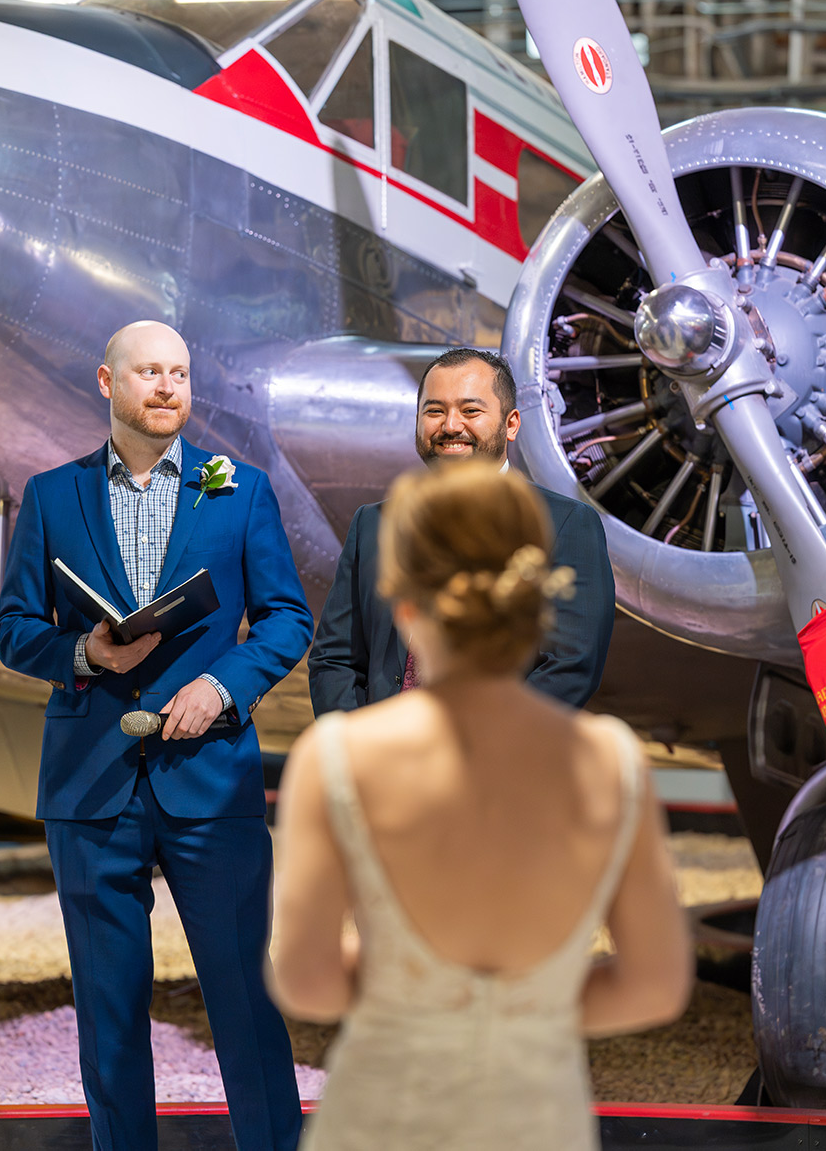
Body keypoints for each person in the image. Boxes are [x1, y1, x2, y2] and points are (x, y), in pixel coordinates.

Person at [270, 460, 692, 1151]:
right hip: (537, 1117)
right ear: (536, 600)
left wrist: (423, 1005)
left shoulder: (339, 757)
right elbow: (655, 985)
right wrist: (526, 1011)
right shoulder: (609, 760)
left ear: (405, 607)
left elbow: (306, 981)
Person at [0, 321, 313, 1151]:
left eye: (179, 372)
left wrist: (222, 684)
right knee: (107, 1010)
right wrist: (83, 650)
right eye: (148, 372)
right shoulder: (53, 494)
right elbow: (15, 627)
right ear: (107, 381)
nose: (167, 386)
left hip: (212, 779)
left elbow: (286, 618)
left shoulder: (238, 489)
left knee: (245, 1000)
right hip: (90, 787)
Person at [308, 347, 614, 713]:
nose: (451, 426)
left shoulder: (566, 524)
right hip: (381, 759)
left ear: (511, 423)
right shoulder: (373, 524)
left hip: (498, 759)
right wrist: (356, 748)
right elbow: (334, 658)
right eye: (434, 411)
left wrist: (465, 748)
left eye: (471, 410)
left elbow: (570, 665)